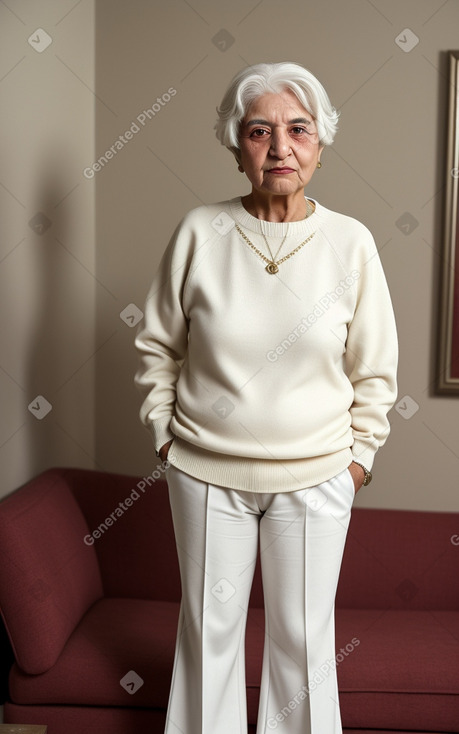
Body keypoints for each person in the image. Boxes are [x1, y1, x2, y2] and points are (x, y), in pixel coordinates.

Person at [134, 61, 398, 734]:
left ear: (319, 142)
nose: (279, 147)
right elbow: (157, 345)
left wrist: (357, 459)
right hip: (203, 472)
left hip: (315, 476)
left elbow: (373, 372)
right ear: (235, 145)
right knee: (208, 632)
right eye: (260, 131)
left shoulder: (351, 243)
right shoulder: (199, 231)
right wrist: (165, 435)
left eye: (298, 130)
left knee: (304, 641)